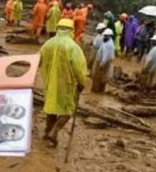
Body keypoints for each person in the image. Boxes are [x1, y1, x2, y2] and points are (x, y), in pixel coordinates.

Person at [39, 19, 87, 147]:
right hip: (66, 84)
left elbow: (38, 60)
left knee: (51, 107)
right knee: (67, 110)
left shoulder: (47, 44)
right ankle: (54, 132)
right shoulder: (73, 47)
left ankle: (47, 131)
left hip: (50, 82)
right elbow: (79, 68)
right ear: (71, 30)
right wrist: (82, 82)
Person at [91, 29, 115, 93]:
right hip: (102, 60)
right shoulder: (106, 42)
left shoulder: (109, 45)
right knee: (102, 77)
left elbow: (106, 55)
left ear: (110, 36)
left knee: (99, 77)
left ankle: (96, 91)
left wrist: (102, 64)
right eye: (104, 35)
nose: (105, 37)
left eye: (106, 36)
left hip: (103, 62)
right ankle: (100, 90)